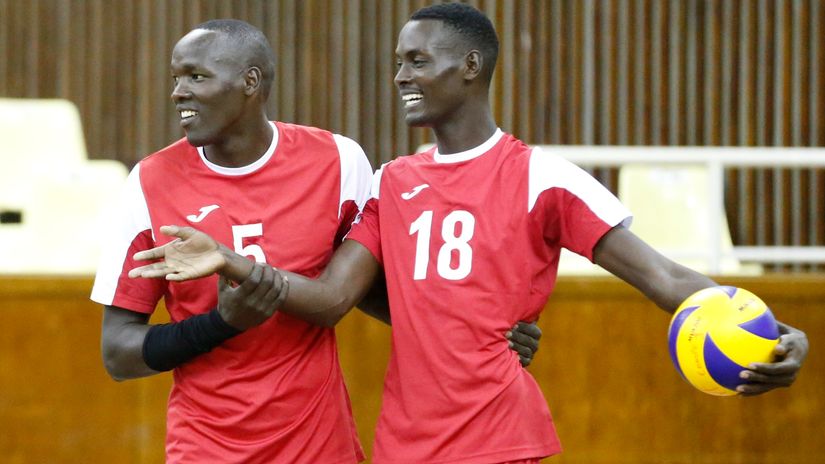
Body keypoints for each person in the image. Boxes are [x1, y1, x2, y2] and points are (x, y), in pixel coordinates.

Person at [129, 4, 809, 464]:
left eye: (417, 61)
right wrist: (233, 264)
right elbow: (333, 299)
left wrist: (775, 332)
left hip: (499, 441)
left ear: (470, 68)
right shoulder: (391, 182)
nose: (399, 75)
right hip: (401, 447)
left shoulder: (539, 176)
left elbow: (664, 278)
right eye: (398, 60)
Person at [90, 18, 541, 463]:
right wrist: (221, 324)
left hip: (323, 448)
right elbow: (118, 354)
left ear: (250, 82)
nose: (178, 92)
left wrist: (488, 332)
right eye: (176, 78)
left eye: (196, 76)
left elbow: (369, 292)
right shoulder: (149, 183)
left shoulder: (337, 161)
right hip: (207, 450)